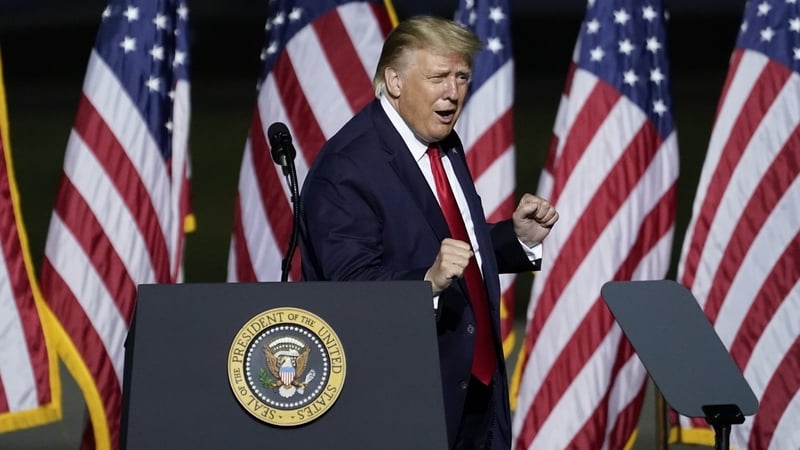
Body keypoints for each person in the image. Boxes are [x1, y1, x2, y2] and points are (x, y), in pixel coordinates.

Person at [299, 15, 558, 450]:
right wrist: (426, 283)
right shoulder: (347, 167)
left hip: (476, 395)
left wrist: (515, 239)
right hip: (401, 406)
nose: (453, 93)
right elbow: (349, 292)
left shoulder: (442, 142)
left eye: (462, 77)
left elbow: (445, 239)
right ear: (395, 81)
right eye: (438, 77)